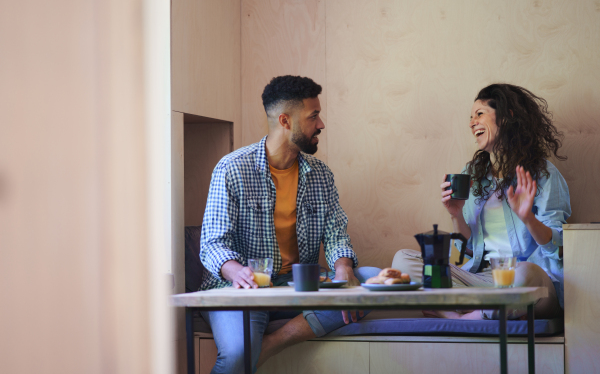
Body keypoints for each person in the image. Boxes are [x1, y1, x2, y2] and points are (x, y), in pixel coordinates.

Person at [199, 75, 380, 373]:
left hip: (298, 285)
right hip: (245, 289)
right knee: (237, 353)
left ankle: (272, 344)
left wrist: (344, 271)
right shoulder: (232, 168)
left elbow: (336, 235)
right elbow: (213, 243)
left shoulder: (320, 174)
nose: (321, 124)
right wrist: (237, 272)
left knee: (372, 280)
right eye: (313, 116)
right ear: (285, 120)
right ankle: (252, 349)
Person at [393, 83, 571, 320]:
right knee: (404, 261)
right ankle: (485, 310)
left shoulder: (543, 174)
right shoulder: (473, 174)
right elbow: (469, 248)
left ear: (507, 117)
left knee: (524, 276)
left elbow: (560, 249)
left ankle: (459, 315)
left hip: (530, 278)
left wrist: (528, 218)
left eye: (479, 114)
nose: (471, 123)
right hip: (485, 279)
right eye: (470, 117)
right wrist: (455, 214)